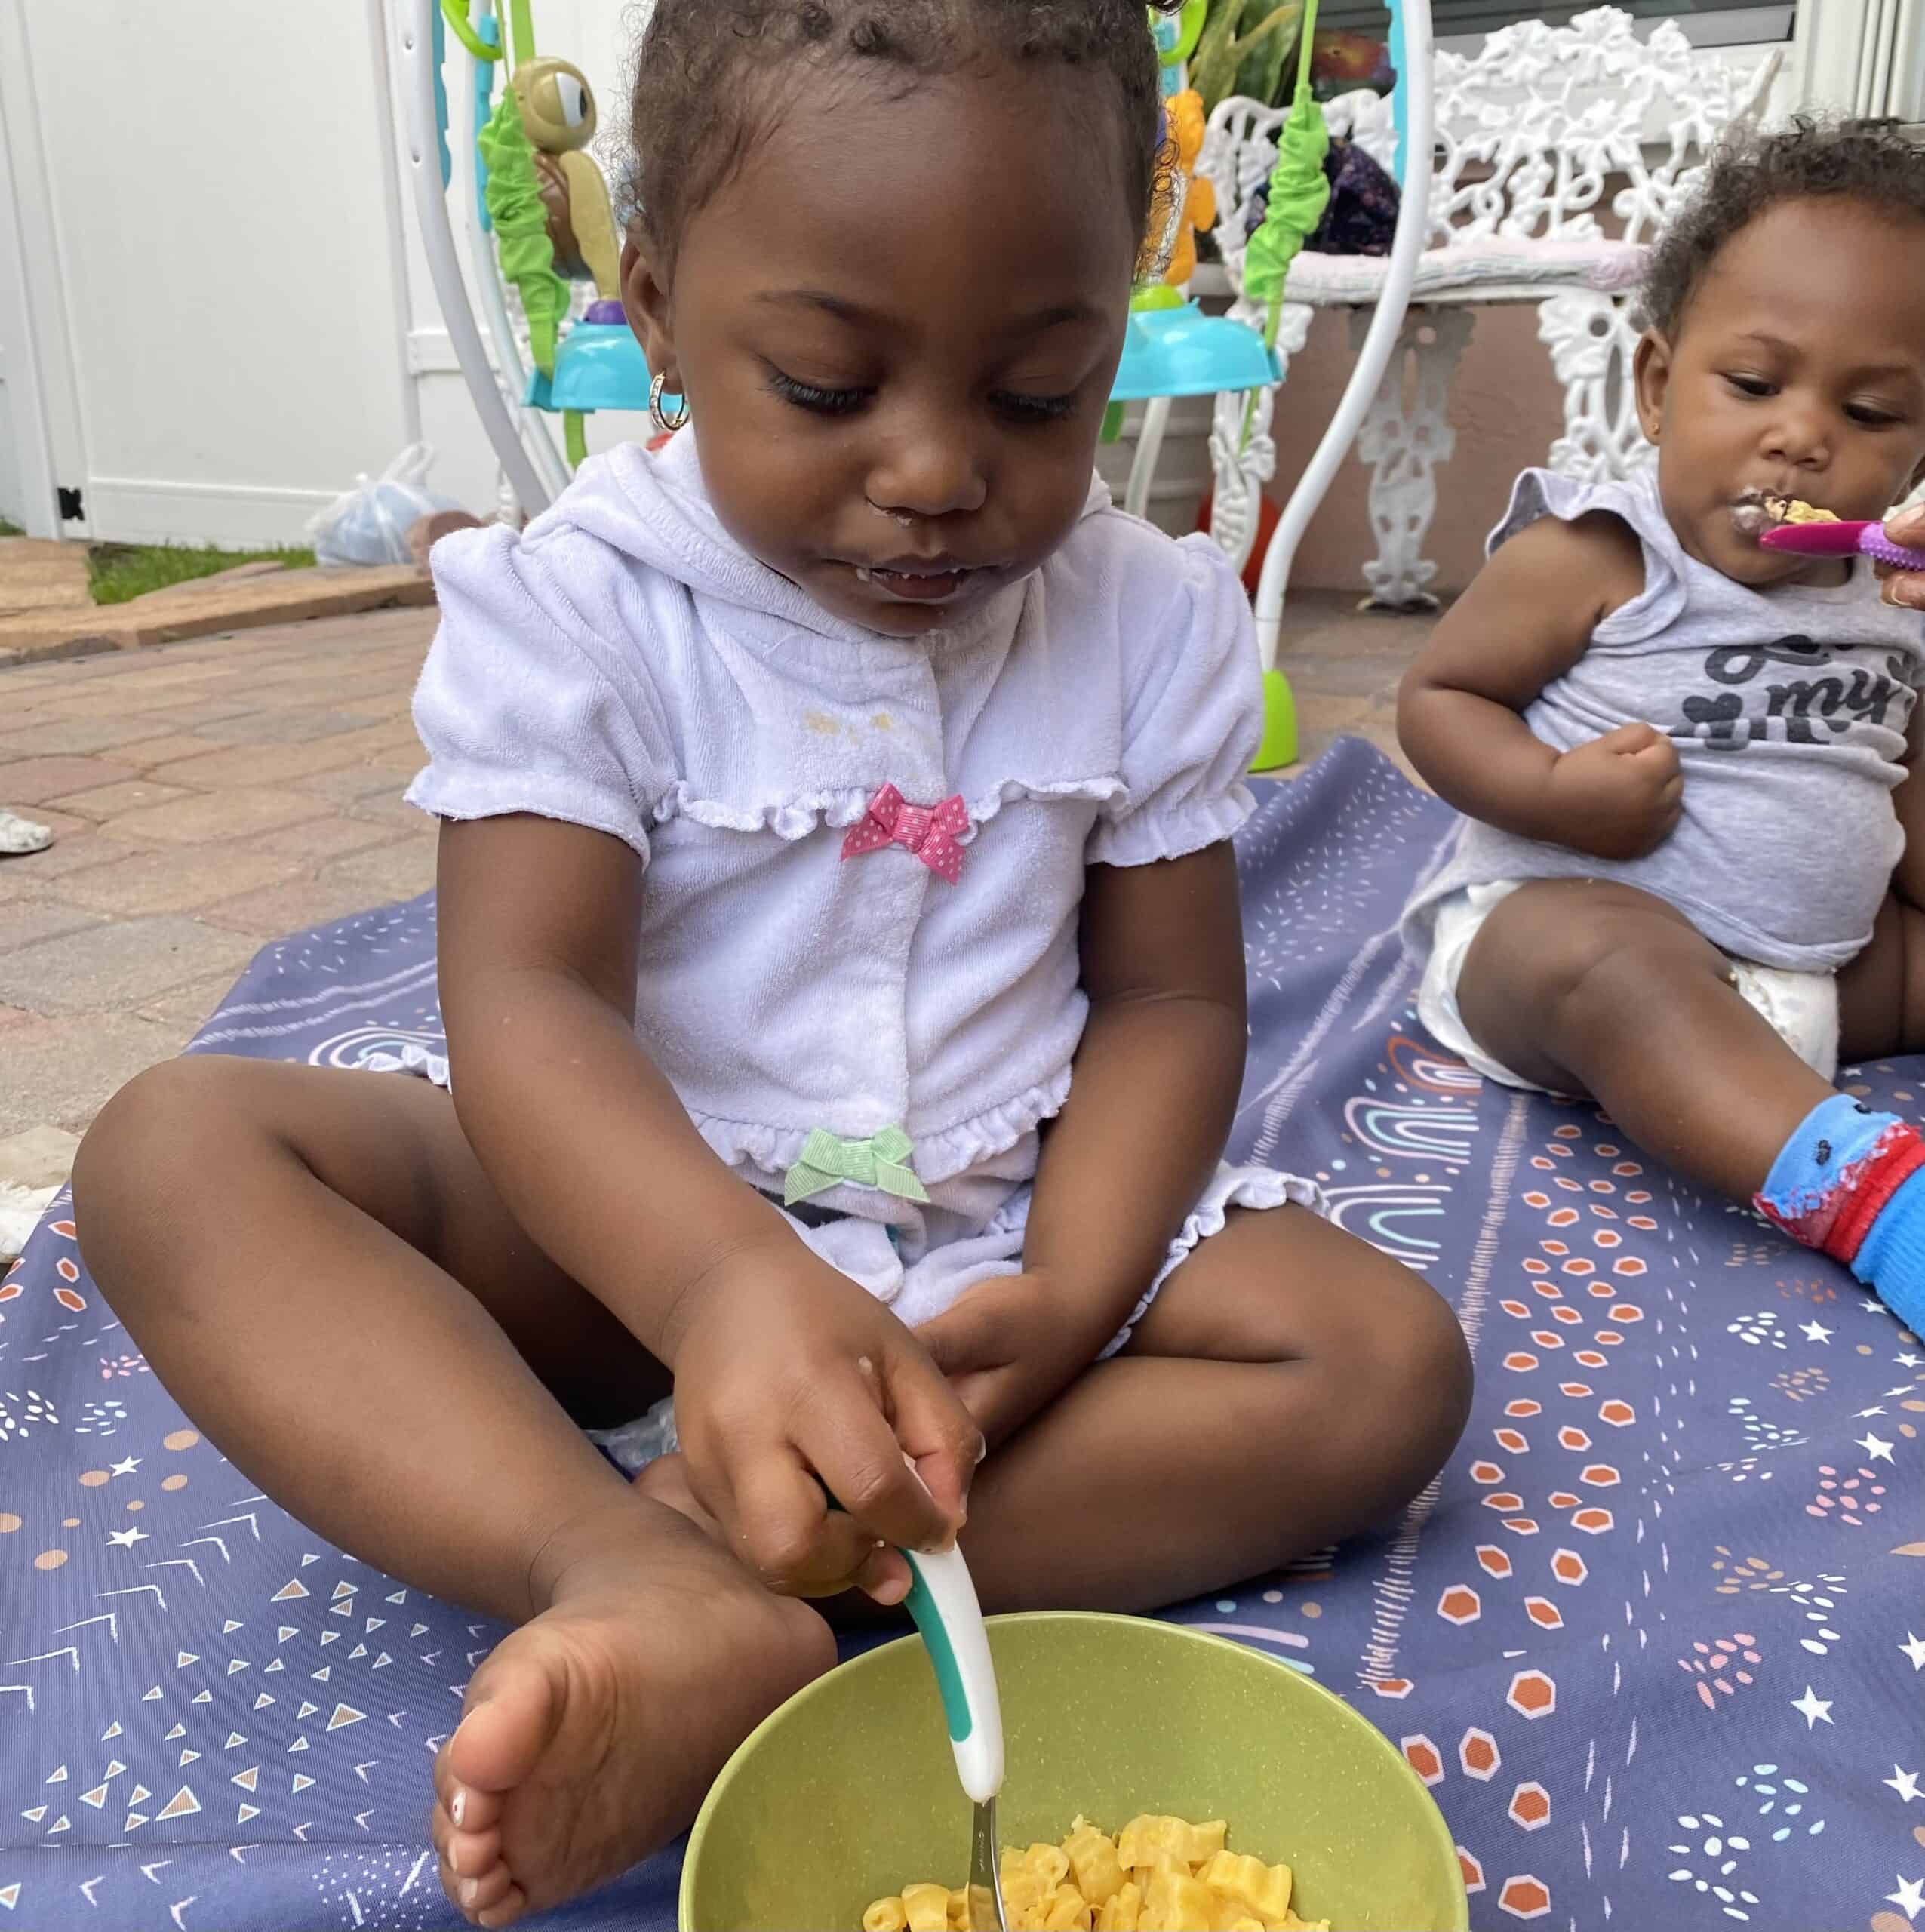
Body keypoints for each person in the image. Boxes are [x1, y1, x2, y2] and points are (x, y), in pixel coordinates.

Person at [73, 4, 1471, 1925]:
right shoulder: (581, 608)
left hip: (982, 1246)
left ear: (1113, 325)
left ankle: (766, 1598)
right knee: (176, 1151)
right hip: (626, 1229)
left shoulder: (1143, 622)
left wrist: (1068, 1284)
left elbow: (1168, 1000)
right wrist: (726, 1282)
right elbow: (529, 1003)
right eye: (825, 386)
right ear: (656, 307)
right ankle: (612, 1560)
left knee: (1382, 1361)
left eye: (1041, 394)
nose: (934, 472)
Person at [1399, 118, 1925, 1352]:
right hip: (1562, 935)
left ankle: (1772, 1099)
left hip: (1819, 973)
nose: (1803, 438)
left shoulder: (1892, 601)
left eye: (1871, 412)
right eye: (1753, 386)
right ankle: (1874, 1203)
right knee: (1610, 958)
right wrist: (1556, 791)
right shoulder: (1596, 554)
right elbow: (1440, 700)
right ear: (1656, 386)